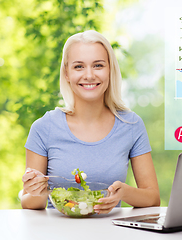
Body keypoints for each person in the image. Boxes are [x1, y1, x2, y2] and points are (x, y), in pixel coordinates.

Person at [21, 30, 160, 213]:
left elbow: (153, 198)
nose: (89, 75)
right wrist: (34, 190)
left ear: (110, 70)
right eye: (79, 66)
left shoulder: (131, 125)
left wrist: (125, 193)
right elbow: (30, 203)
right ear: (67, 73)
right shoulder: (43, 128)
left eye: (98, 65)